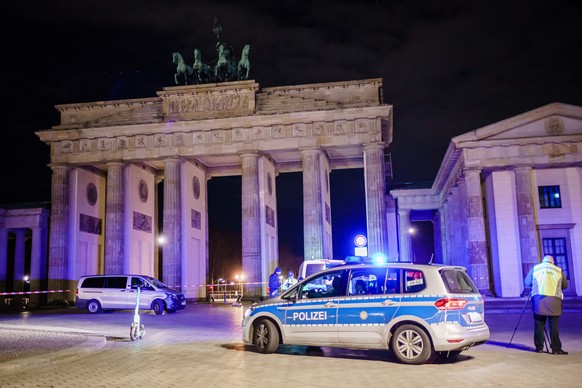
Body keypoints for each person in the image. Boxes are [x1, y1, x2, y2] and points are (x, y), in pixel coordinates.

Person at [524, 255, 569, 354]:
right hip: (554, 301)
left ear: (543, 261)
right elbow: (565, 285)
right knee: (554, 326)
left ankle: (539, 347)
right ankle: (556, 349)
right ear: (552, 262)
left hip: (539, 301)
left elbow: (527, 282)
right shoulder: (558, 270)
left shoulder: (536, 268)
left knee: (539, 325)